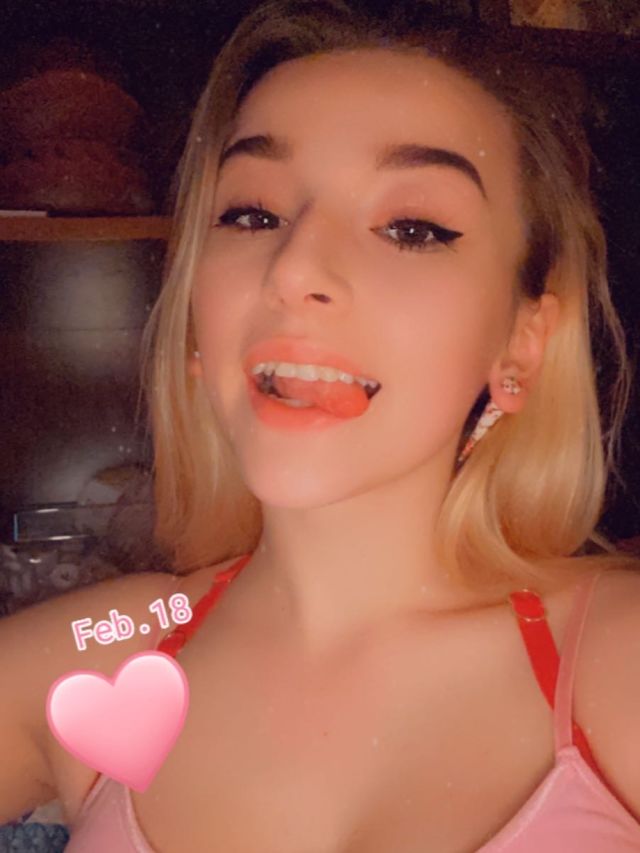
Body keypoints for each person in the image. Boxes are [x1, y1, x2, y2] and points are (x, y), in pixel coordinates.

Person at [1, 1, 640, 850]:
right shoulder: (104, 645)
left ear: (521, 342)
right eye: (253, 214)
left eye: (412, 229)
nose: (294, 268)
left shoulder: (618, 661)